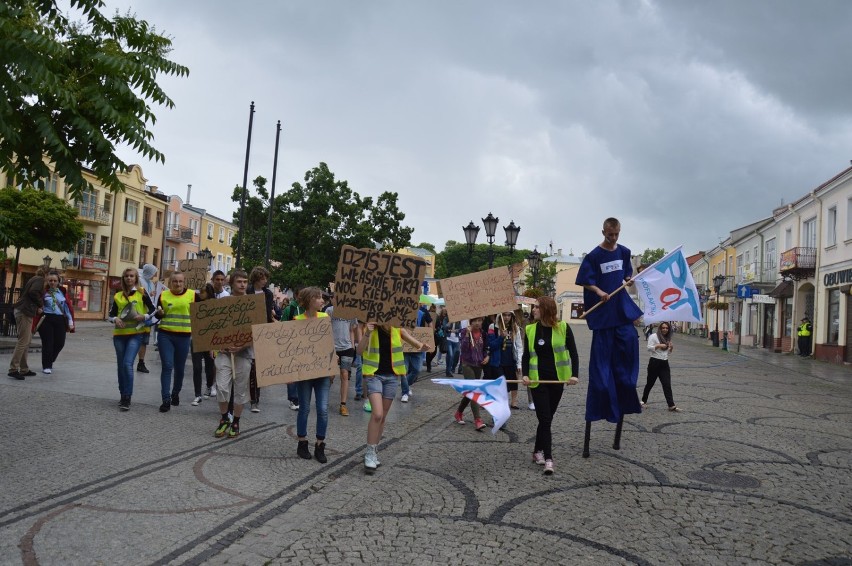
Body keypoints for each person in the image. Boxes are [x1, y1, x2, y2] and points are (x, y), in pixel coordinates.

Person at [575, 217, 644, 457]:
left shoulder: (624, 252)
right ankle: (600, 408)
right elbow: (586, 281)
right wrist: (599, 291)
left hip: (622, 315)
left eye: (616, 234)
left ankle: (625, 396)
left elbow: (626, 276)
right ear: (603, 231)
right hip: (604, 318)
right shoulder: (594, 256)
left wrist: (628, 280)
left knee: (625, 373)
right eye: (609, 235)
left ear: (619, 232)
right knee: (602, 378)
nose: (613, 238)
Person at [355, 321, 429, 472]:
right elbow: (359, 351)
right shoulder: (370, 327)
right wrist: (367, 333)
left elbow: (415, 343)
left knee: (382, 417)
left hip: (392, 377)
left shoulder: (397, 328)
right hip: (373, 375)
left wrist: (423, 346)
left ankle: (374, 451)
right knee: (377, 414)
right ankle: (369, 453)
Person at [522, 296, 579, 474]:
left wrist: (574, 375)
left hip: (557, 380)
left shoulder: (563, 327)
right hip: (537, 381)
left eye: (537, 307)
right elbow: (526, 355)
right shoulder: (530, 329)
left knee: (547, 419)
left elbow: (574, 353)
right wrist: (524, 375)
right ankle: (548, 458)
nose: (534, 310)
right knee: (545, 418)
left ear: (546, 309)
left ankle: (536, 450)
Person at [108, 267, 156, 410]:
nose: (129, 278)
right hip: (119, 335)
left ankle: (127, 397)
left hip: (136, 334)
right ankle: (122, 394)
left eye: (132, 276)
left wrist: (144, 316)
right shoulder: (118, 296)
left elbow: (153, 310)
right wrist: (115, 319)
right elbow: (110, 315)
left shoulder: (142, 293)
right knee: (120, 366)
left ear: (136, 278)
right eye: (126, 276)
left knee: (127, 364)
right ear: (123, 279)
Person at [213, 270, 253, 438]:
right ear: (231, 284)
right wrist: (214, 345)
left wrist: (243, 345)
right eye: (239, 281)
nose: (243, 284)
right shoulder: (224, 302)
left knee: (241, 390)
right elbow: (213, 327)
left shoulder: (253, 303)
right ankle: (224, 419)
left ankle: (236, 421)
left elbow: (259, 331)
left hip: (244, 354)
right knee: (222, 387)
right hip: (224, 352)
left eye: (245, 281)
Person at [153, 271, 195, 412]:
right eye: (175, 281)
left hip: (183, 336)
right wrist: (159, 313)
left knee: (180, 369)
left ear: (184, 282)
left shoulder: (192, 295)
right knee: (167, 366)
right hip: (166, 335)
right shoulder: (163, 295)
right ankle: (166, 399)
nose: (177, 284)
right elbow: (157, 314)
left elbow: (203, 312)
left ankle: (175, 392)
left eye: (180, 281)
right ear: (170, 282)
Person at [247, 266, 276, 413]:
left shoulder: (268, 294)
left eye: (266, 278)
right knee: (248, 367)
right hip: (247, 331)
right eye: (262, 278)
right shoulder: (248, 291)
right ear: (256, 278)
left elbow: (268, 314)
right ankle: (248, 395)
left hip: (261, 333)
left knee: (256, 368)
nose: (265, 281)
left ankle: (255, 399)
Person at [8, 268, 44, 380]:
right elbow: (33, 292)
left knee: (26, 341)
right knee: (23, 341)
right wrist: (40, 304)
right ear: (46, 274)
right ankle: (13, 369)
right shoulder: (40, 280)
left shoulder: (34, 278)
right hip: (24, 311)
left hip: (23, 310)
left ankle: (24, 369)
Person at [453, 316, 489, 431]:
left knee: (470, 392)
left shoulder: (483, 333)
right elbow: (463, 349)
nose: (478, 323)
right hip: (467, 364)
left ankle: (458, 412)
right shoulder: (464, 332)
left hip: (478, 364)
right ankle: (478, 420)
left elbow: (485, 348)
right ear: (470, 322)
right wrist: (468, 335)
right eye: (475, 321)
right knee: (474, 391)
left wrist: (487, 356)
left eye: (480, 321)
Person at [37, 271, 75, 374]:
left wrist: (71, 321)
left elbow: (67, 308)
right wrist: (39, 308)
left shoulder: (62, 292)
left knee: (60, 343)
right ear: (47, 281)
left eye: (55, 280)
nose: (52, 282)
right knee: (47, 343)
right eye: (50, 280)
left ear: (58, 282)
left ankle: (50, 359)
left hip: (60, 319)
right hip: (46, 319)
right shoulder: (43, 292)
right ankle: (47, 365)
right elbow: (37, 303)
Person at [326, 304, 360, 417]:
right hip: (332, 347)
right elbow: (326, 328)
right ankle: (323, 398)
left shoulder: (351, 310)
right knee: (331, 376)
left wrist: (352, 346)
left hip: (347, 348)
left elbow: (352, 330)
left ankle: (343, 404)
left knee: (344, 374)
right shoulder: (330, 310)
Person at [641, 322, 681, 411]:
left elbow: (668, 353)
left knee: (667, 384)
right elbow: (649, 348)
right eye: (663, 328)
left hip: (664, 363)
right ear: (660, 328)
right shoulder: (653, 336)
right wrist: (658, 345)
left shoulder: (668, 338)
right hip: (654, 362)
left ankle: (671, 405)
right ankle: (643, 401)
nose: (665, 329)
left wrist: (671, 348)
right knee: (650, 383)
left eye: (667, 328)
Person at [190, 283, 217, 406]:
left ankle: (208, 386)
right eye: (200, 291)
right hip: (196, 338)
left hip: (210, 340)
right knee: (196, 367)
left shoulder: (215, 306)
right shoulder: (196, 304)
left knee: (209, 367)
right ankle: (197, 394)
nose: (200, 294)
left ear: (209, 293)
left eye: (203, 292)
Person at [401, 301, 432, 402]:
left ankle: (407, 385)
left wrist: (429, 338)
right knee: (403, 371)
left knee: (417, 370)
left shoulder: (424, 313)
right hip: (404, 346)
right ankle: (405, 392)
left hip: (418, 346)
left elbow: (430, 325)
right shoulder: (402, 311)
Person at [280, 290, 304, 411]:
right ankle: (293, 399)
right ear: (296, 295)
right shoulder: (290, 309)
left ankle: (301, 397)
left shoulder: (308, 309)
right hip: (291, 345)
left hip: (305, 347)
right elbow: (283, 326)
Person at [136, 263, 161, 374]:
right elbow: (138, 295)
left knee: (145, 341)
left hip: (148, 314)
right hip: (139, 314)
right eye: (154, 272)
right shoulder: (140, 281)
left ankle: (141, 362)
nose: (155, 274)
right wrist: (148, 295)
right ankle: (130, 360)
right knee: (135, 339)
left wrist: (152, 294)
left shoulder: (151, 282)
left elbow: (149, 297)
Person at [497, 310, 524, 410]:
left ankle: (514, 401)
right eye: (504, 315)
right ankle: (502, 400)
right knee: (501, 381)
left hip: (511, 358)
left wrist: (519, 363)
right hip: (499, 359)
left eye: (509, 315)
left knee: (513, 380)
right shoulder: (495, 327)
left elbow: (519, 346)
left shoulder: (515, 328)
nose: (506, 317)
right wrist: (501, 336)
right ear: (500, 316)